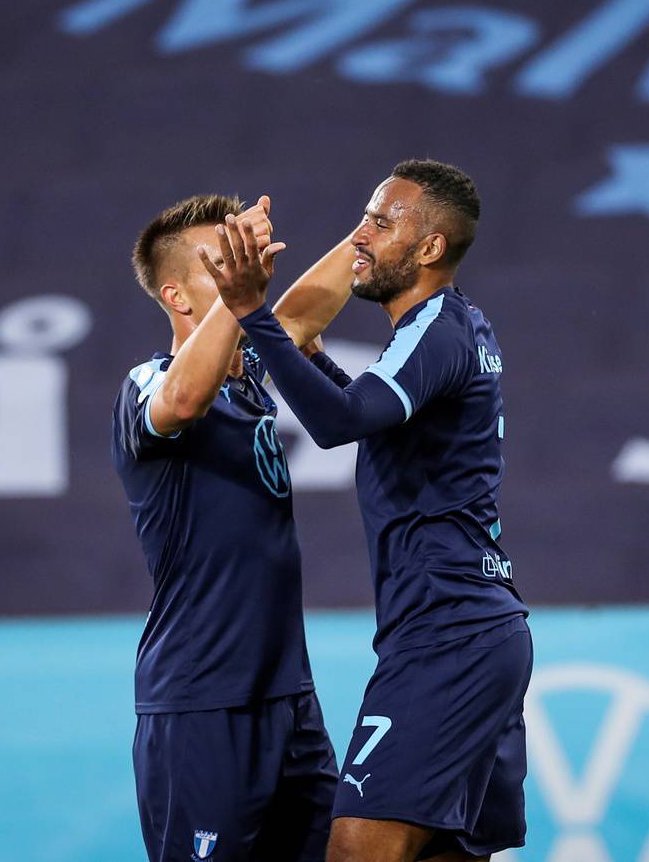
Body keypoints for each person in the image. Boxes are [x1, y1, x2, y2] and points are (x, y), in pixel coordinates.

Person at [201, 161, 530, 862]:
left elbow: (343, 422)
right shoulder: (453, 328)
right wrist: (313, 363)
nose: (361, 235)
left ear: (430, 248)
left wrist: (254, 313)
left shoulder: (436, 328)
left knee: (355, 851)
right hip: (472, 629)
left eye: (383, 222)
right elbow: (384, 422)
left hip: (449, 636)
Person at [114, 193, 345, 861]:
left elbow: (299, 315)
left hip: (289, 701)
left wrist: (377, 229)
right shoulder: (147, 384)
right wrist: (241, 303)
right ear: (178, 296)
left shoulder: (251, 380)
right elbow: (183, 401)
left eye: (249, 255)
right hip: (202, 703)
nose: (246, 271)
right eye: (226, 262)